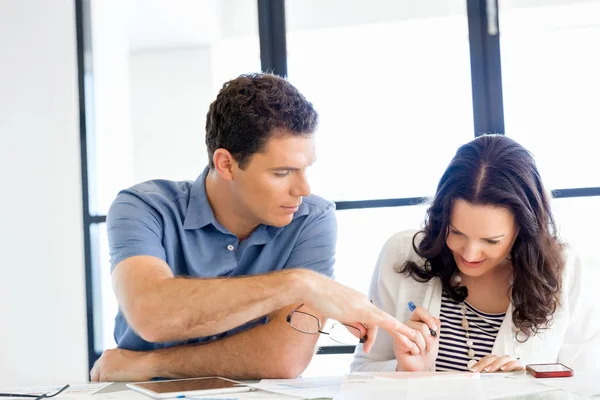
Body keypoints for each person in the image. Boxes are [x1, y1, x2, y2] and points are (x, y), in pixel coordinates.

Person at [91, 73, 419, 382]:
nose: (303, 189)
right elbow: (152, 314)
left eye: (306, 168)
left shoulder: (311, 219)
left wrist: (149, 364)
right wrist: (298, 284)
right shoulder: (144, 207)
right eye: (281, 173)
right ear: (226, 164)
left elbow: (285, 358)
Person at [351, 134, 600, 373]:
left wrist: (528, 385)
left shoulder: (566, 271)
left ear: (523, 230)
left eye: (491, 241)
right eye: (456, 232)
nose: (469, 254)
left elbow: (587, 384)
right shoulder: (404, 254)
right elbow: (361, 372)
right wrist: (404, 370)